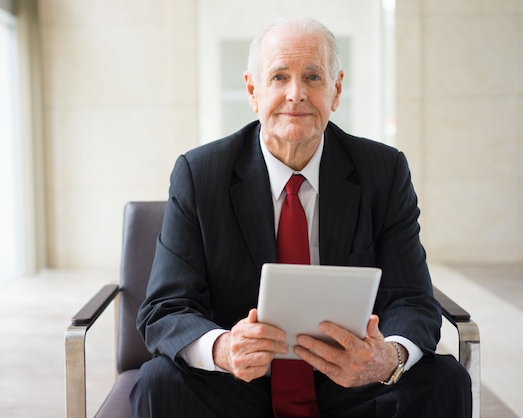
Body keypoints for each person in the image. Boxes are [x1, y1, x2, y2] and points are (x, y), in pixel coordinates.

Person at [130, 17, 472, 418]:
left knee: (446, 381)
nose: (296, 94)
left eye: (312, 77)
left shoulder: (384, 171)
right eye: (279, 77)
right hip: (239, 384)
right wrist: (224, 350)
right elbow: (167, 307)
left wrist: (386, 358)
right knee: (159, 384)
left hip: (350, 381)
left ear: (336, 89)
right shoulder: (199, 174)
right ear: (253, 90)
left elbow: (412, 299)